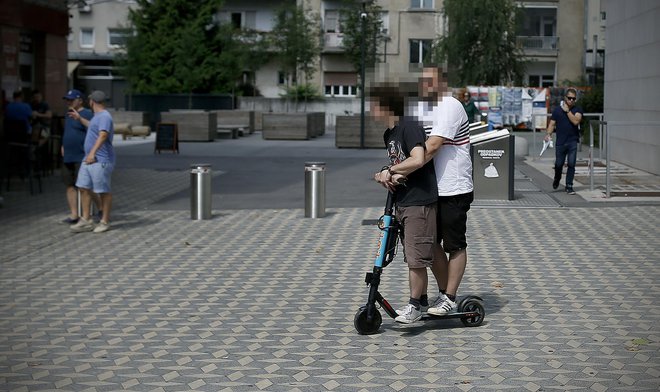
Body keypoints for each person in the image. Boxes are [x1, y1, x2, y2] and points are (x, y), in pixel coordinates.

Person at [389, 66, 474, 316]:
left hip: (454, 187)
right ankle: (443, 294)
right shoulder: (422, 110)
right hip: (432, 189)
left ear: (442, 83)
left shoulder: (449, 105)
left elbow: (433, 146)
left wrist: (402, 170)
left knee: (454, 244)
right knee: (431, 243)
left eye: (431, 80)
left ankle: (450, 297)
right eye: (422, 80)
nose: (425, 84)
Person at [371, 82, 438, 324]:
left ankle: (414, 307)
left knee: (416, 258)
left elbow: (418, 159)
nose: (371, 110)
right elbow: (399, 167)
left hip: (419, 201)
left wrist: (390, 170)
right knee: (412, 256)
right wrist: (386, 175)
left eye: (374, 105)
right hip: (402, 201)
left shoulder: (409, 126)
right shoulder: (389, 134)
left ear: (385, 105)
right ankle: (420, 301)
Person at [69, 90, 115, 233]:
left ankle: (104, 221)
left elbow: (102, 135)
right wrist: (79, 118)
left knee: (103, 191)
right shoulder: (97, 116)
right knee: (83, 187)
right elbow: (93, 127)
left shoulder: (105, 116)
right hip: (88, 159)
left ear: (91, 102)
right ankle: (86, 220)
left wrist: (93, 153)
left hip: (100, 160)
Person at [60, 89, 101, 224]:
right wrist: (63, 145)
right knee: (69, 185)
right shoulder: (68, 114)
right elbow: (67, 132)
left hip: (82, 155)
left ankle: (99, 209)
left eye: (71, 100)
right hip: (68, 155)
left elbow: (95, 130)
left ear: (80, 100)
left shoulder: (88, 114)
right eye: (67, 100)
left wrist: (80, 118)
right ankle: (74, 214)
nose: (68, 102)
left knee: (86, 187)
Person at [544, 88, 583, 195]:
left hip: (572, 142)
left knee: (571, 164)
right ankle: (557, 178)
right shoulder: (557, 110)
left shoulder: (577, 110)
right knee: (558, 164)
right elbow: (552, 124)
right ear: (565, 98)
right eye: (569, 98)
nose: (571, 100)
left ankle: (569, 186)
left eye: (573, 99)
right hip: (561, 142)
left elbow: (576, 121)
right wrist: (548, 134)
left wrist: (567, 111)